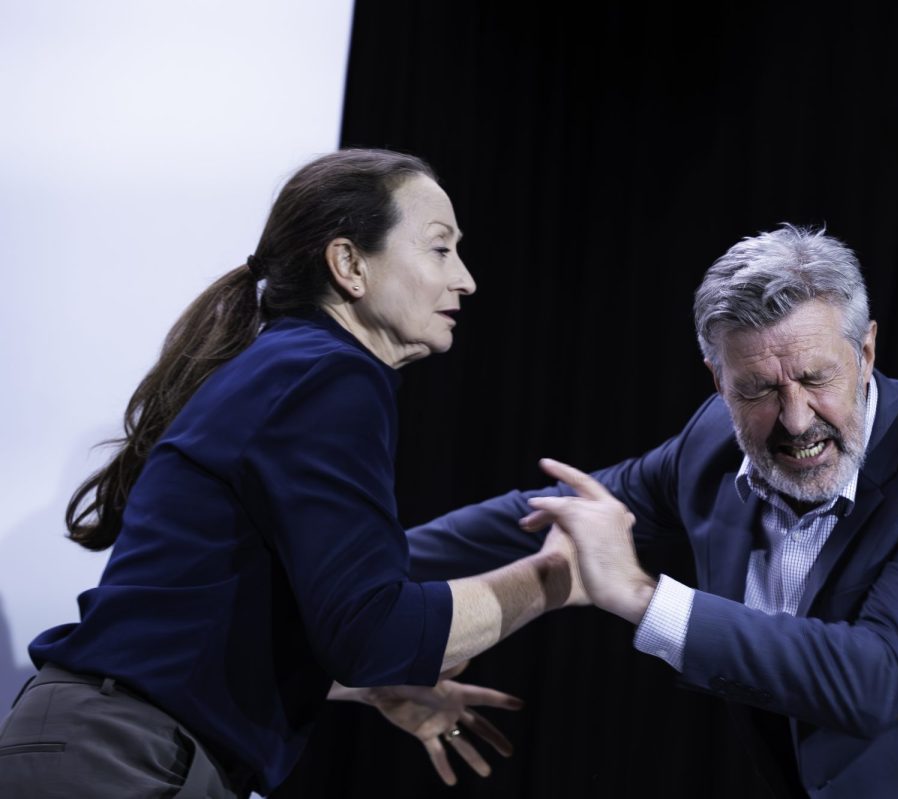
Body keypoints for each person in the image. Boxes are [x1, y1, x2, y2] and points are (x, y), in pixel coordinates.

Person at [405, 225, 898, 797]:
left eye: (818, 378)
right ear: (716, 378)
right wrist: (365, 565)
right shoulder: (708, 441)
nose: (796, 420)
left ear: (867, 350)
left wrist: (638, 597)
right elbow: (557, 512)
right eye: (758, 389)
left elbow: (876, 677)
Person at [0, 149, 585, 798]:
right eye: (440, 249)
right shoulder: (330, 374)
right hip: (119, 758)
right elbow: (376, 630)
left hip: (105, 748)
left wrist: (361, 681)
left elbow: (223, 604)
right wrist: (560, 575)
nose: (466, 279)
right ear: (349, 264)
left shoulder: (290, 366)